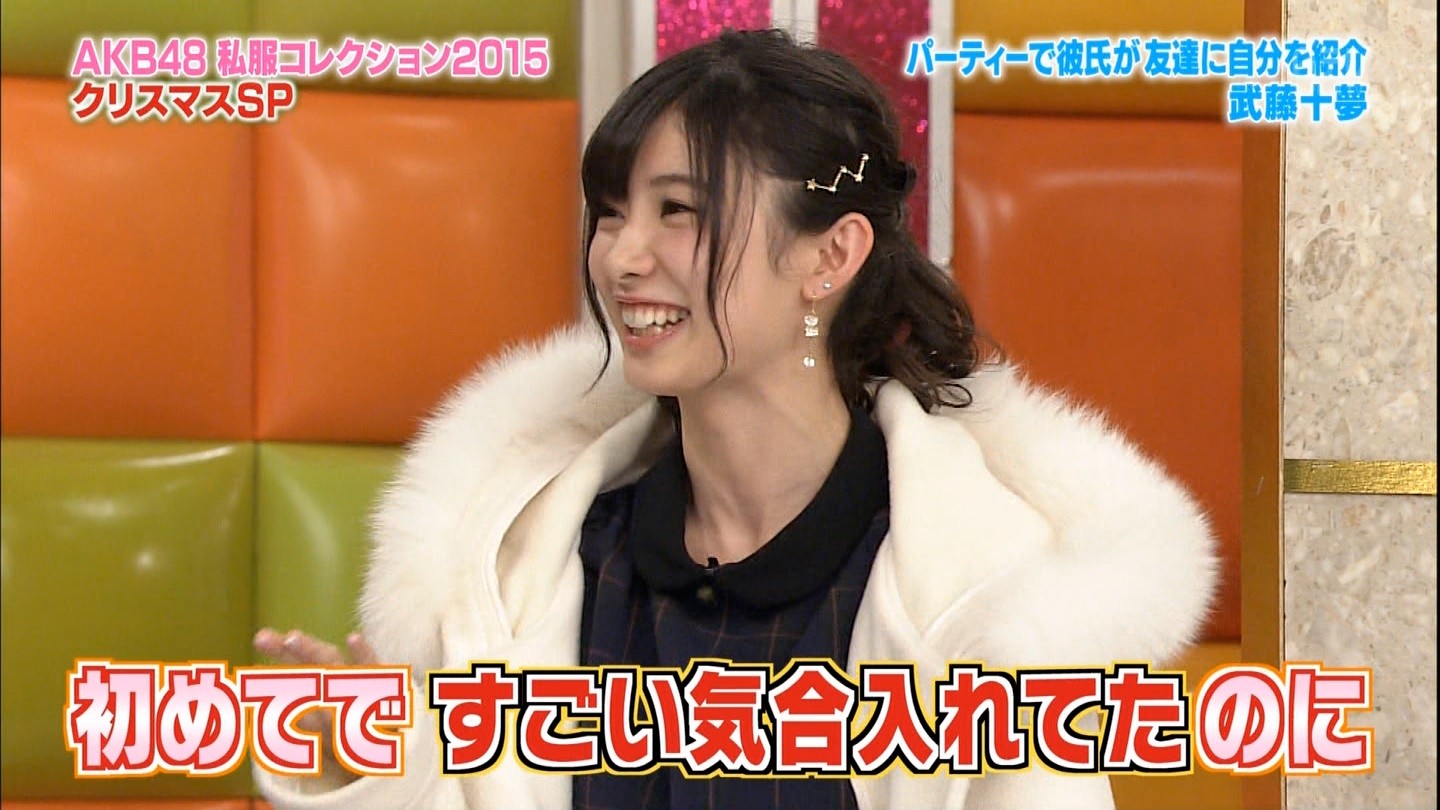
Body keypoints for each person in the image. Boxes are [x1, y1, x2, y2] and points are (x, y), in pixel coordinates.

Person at [255, 28, 1217, 810]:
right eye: (610, 212)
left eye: (678, 212)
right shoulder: (531, 559)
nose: (622, 257)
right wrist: (369, 774)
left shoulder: (986, 593)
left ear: (829, 256)